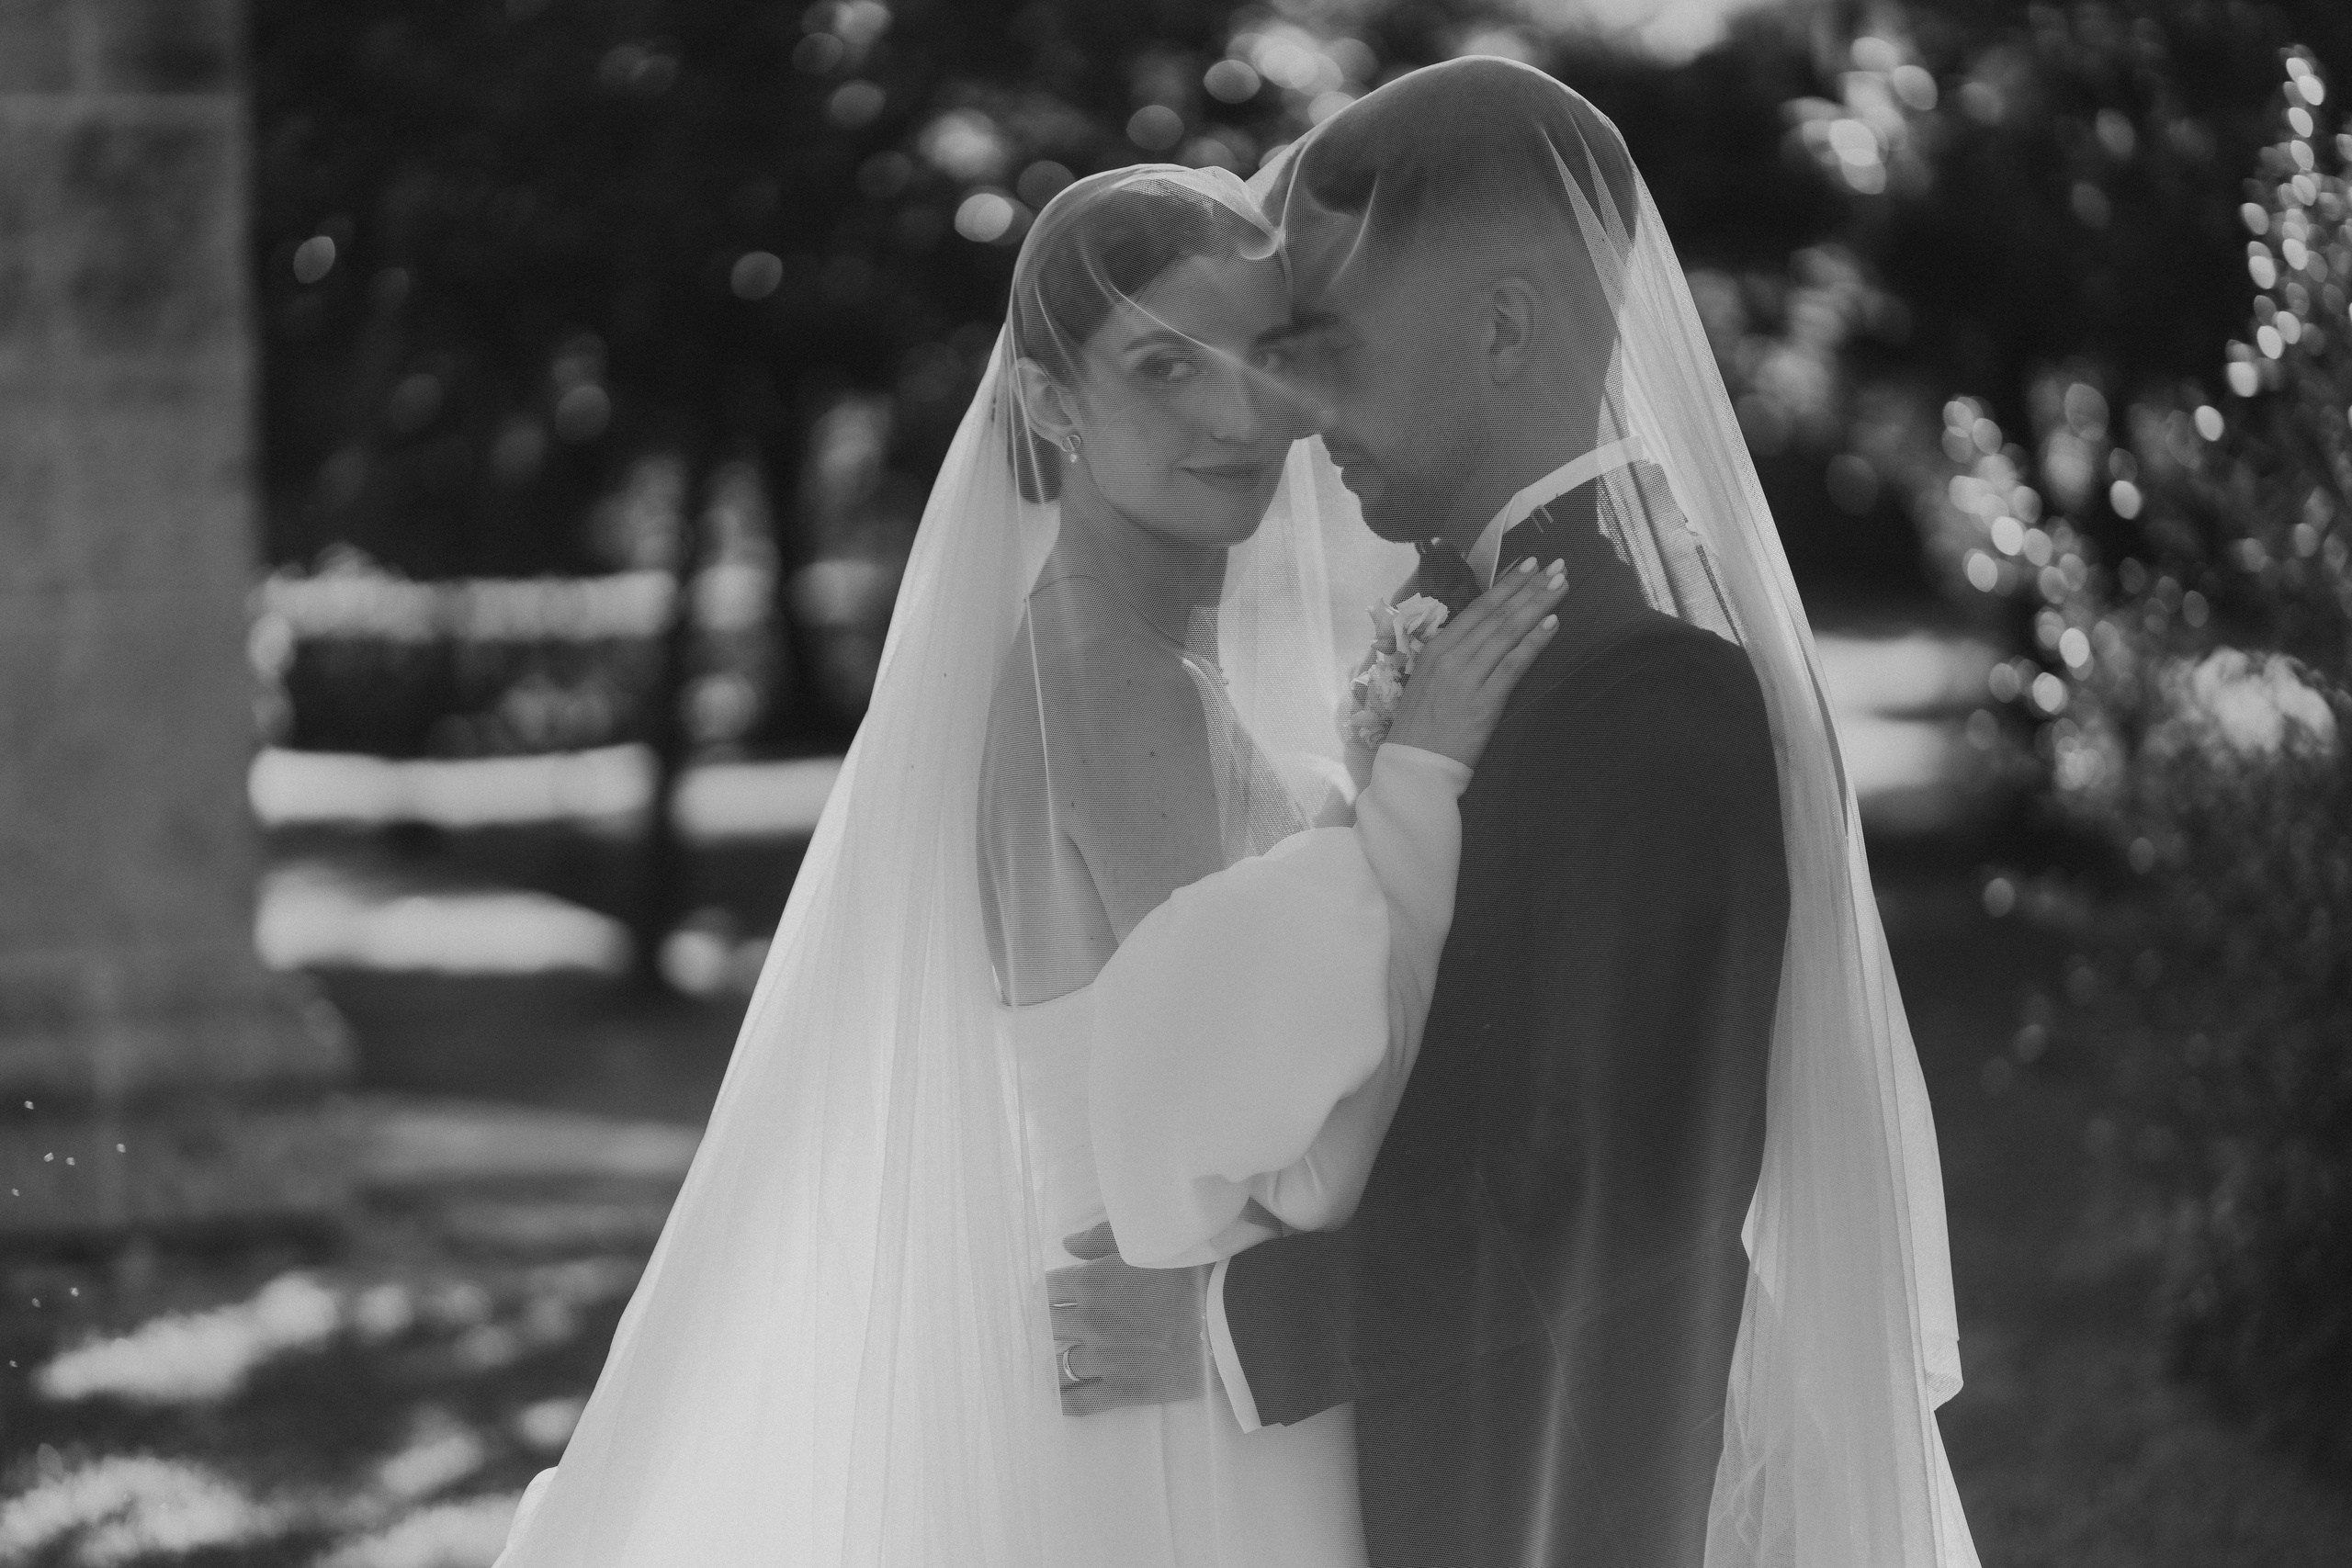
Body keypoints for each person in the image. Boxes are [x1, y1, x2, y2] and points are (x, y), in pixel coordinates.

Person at [493, 163, 1565, 1568]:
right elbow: (1277, 1141)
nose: (1240, 408)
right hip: (1177, 1416)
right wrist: (1418, 792)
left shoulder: (1120, 647)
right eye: (1166, 366)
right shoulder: (1115, 683)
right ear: (1053, 404)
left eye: (1267, 355)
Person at [1051, 58, 1983, 1568]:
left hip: (1558, 1493)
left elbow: (1618, 1195)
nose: (1291, 403)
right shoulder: (1481, 632)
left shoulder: (1651, 692)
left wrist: (1224, 1327)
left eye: (1329, 348)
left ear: (1503, 326)